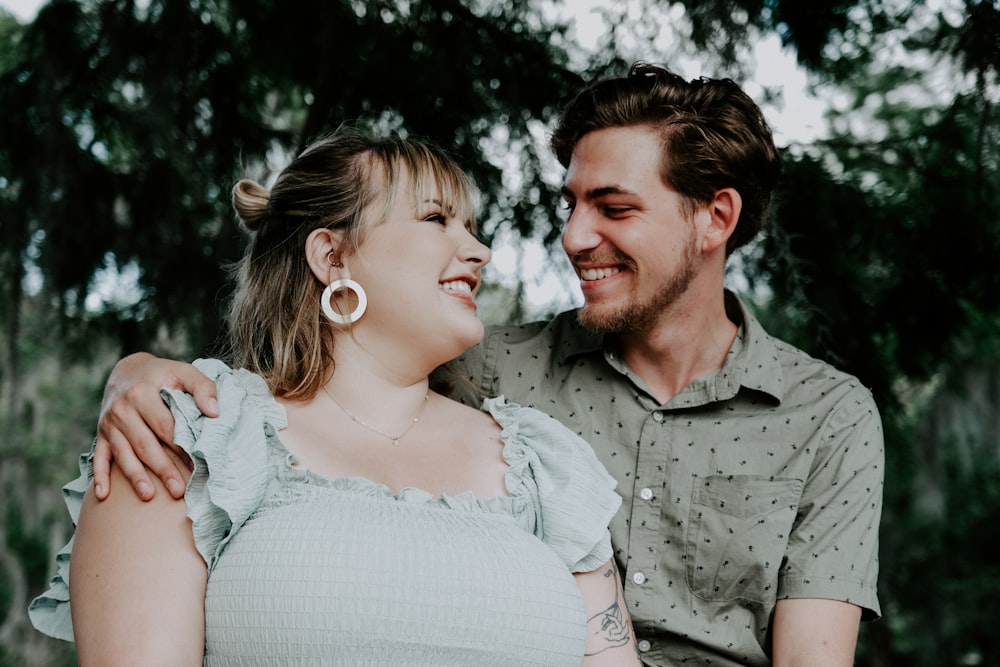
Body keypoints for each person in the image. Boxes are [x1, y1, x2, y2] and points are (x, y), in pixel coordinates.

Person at [69, 63, 885, 666]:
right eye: (571, 204)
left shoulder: (825, 414)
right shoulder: (489, 371)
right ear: (332, 256)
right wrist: (135, 374)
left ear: (717, 218)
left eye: (615, 208)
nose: (569, 237)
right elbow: (326, 385)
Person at [28, 129, 643, 666]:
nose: (479, 252)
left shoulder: (545, 463)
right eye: (436, 220)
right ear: (331, 255)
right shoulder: (192, 436)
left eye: (473, 229)